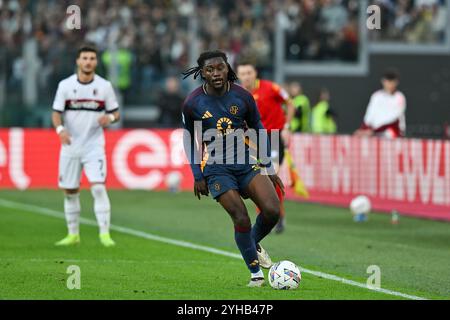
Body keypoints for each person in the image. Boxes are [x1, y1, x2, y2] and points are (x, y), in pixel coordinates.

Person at [182, 50, 285, 287]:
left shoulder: (243, 96)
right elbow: (189, 138)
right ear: (202, 73)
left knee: (272, 210)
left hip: (246, 161)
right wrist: (197, 174)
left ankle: (250, 242)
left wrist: (268, 165)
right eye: (210, 70)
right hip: (217, 169)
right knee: (240, 216)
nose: (216, 73)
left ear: (228, 68)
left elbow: (258, 126)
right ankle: (256, 275)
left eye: (220, 68)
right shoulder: (193, 103)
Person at [51, 45, 120, 247]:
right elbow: (56, 112)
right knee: (70, 191)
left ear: (96, 62)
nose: (88, 61)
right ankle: (73, 234)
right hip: (71, 145)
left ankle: (105, 235)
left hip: (94, 146)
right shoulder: (65, 85)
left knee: (98, 187)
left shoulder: (105, 86)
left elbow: (116, 114)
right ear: (78, 61)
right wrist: (60, 130)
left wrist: (108, 117)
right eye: (85, 58)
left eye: (91, 58)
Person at [236, 60, 295, 234]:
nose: (246, 77)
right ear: (238, 76)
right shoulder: (237, 95)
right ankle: (266, 215)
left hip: (274, 137)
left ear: (255, 73)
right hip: (253, 139)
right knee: (257, 178)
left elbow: (290, 103)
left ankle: (277, 215)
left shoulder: (271, 88)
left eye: (249, 72)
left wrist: (287, 127)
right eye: (242, 73)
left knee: (271, 174)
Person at [354, 69, 406, 138]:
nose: (389, 84)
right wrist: (363, 129)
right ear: (383, 81)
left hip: (393, 133)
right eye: (387, 81)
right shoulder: (376, 96)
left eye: (392, 81)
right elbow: (369, 116)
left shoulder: (399, 97)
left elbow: (393, 120)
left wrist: (374, 131)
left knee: (387, 134)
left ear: (396, 82)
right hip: (374, 132)